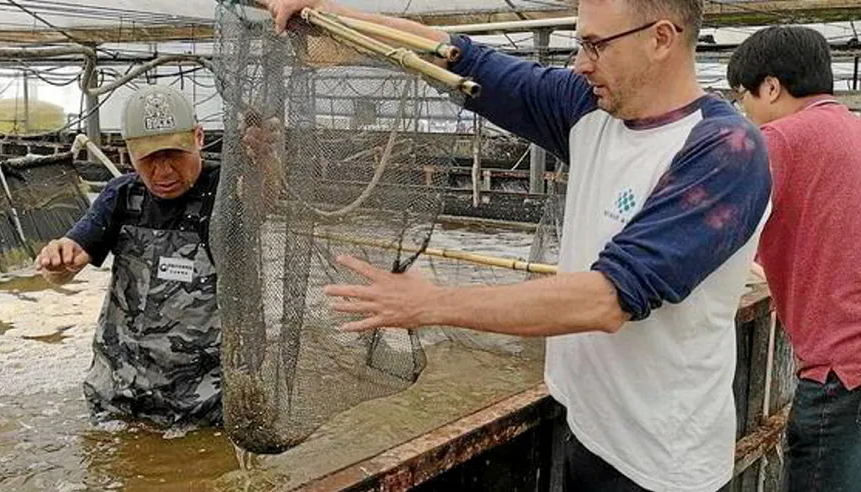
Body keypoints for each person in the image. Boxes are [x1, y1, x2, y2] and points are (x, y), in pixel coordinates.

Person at [261, 0, 772, 490]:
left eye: (596, 46)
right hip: (589, 423)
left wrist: (431, 304)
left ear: (661, 38)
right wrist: (332, 17)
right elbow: (464, 59)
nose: (581, 63)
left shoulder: (724, 150)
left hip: (659, 460)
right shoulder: (586, 106)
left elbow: (608, 298)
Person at [34, 85, 282, 427]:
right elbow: (67, 265)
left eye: (173, 154)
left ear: (198, 137)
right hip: (120, 395)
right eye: (148, 158)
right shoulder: (121, 196)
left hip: (206, 402)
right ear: (129, 152)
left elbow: (264, 198)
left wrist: (265, 160)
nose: (163, 172)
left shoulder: (226, 191)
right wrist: (57, 259)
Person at [727, 26, 861, 491]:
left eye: (743, 95)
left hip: (839, 373)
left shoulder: (779, 140)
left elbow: (711, 230)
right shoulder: (853, 130)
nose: (744, 110)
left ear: (770, 87)